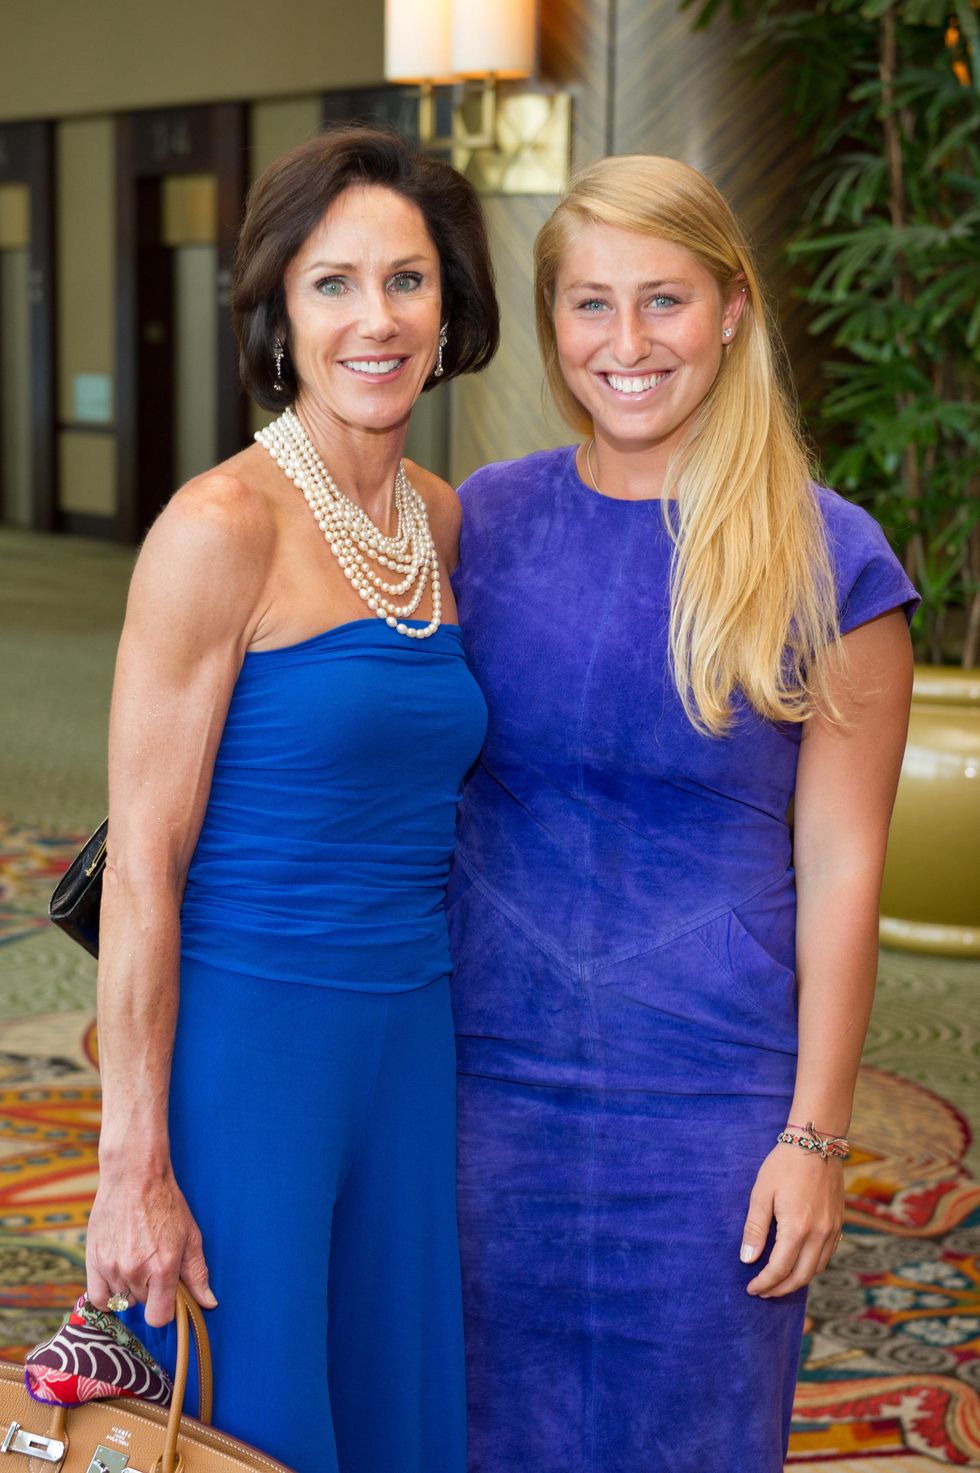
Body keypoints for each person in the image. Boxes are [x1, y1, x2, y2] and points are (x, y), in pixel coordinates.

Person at [447, 154, 917, 1473]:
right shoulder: (483, 521)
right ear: (552, 328)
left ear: (732, 311)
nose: (627, 341)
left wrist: (814, 1134)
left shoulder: (832, 557)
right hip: (480, 1083)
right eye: (590, 304)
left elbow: (839, 869)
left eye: (663, 299)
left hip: (709, 1099)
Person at [84, 125, 498, 1473]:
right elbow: (141, 865)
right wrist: (132, 1162)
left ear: (451, 306)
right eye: (332, 284)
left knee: (397, 1404)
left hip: (410, 1032)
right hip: (253, 1042)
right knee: (249, 1421)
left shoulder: (439, 521)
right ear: (279, 309)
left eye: (407, 280)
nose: (374, 319)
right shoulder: (221, 528)